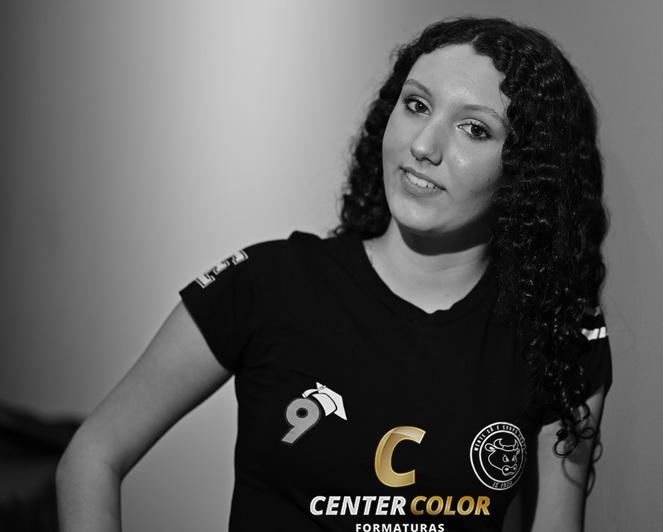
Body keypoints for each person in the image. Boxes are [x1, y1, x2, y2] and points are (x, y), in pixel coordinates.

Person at [56, 16, 611, 532]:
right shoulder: (269, 285)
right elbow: (93, 454)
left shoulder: (558, 331)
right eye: (416, 105)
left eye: (474, 129)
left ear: (529, 169)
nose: (424, 146)